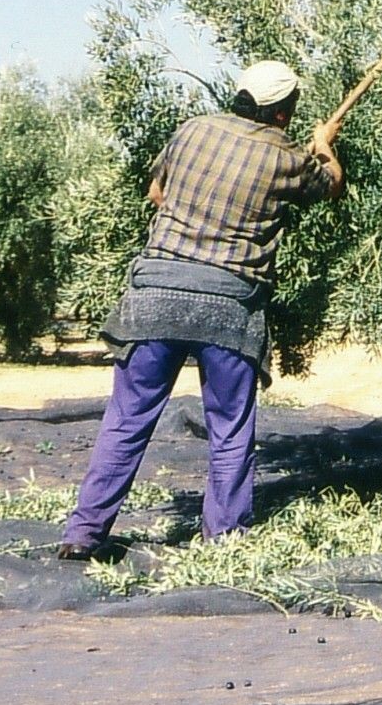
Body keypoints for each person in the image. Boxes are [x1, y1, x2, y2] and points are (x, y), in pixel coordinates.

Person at [58, 60, 343, 560]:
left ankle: (84, 534)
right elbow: (332, 186)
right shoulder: (288, 156)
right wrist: (324, 145)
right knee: (230, 429)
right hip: (228, 309)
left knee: (126, 421)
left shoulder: (192, 130)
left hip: (155, 298)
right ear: (283, 113)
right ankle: (224, 543)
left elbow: (156, 193)